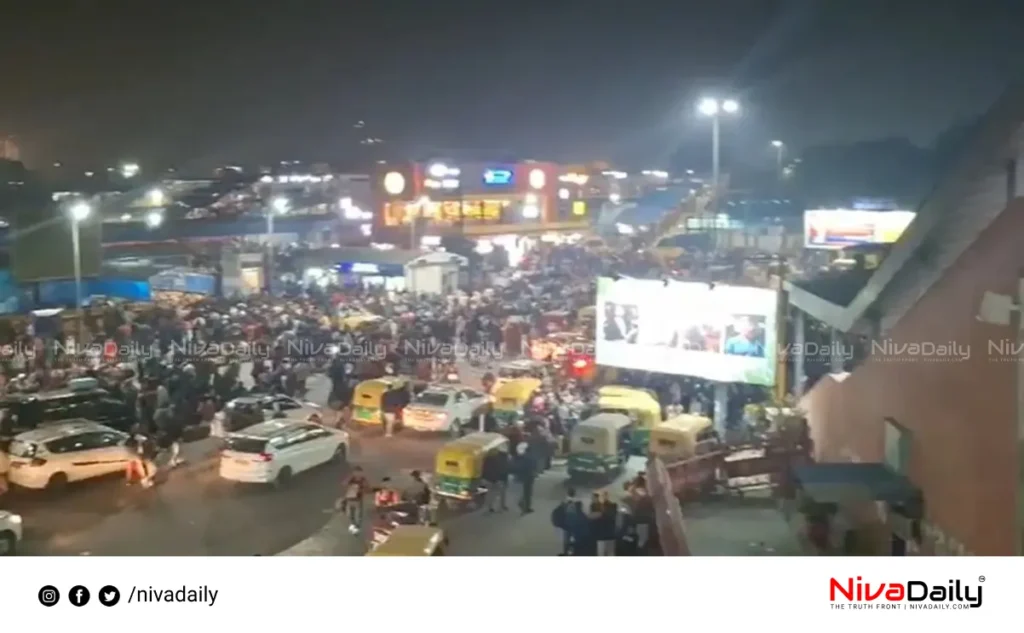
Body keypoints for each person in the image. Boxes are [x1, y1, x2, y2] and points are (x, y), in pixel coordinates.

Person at [551, 488, 584, 555]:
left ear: (568, 494)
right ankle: (572, 553)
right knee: (573, 540)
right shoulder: (578, 503)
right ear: (574, 494)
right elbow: (580, 513)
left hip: (567, 525)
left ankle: (567, 553)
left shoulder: (564, 502)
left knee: (567, 540)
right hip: (575, 525)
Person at [482, 448, 510, 513]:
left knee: (490, 493)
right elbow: (504, 469)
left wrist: (483, 478)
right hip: (499, 479)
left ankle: (490, 507)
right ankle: (502, 506)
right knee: (502, 493)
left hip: (488, 479)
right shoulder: (502, 459)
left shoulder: (486, 459)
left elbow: (484, 470)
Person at [342, 466, 369, 534]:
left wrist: (360, 490)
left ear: (361, 473)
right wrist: (349, 478)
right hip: (349, 499)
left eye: (359, 473)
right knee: (350, 514)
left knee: (358, 515)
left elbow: (367, 489)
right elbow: (344, 484)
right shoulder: (351, 479)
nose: (357, 474)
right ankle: (353, 524)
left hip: (358, 500)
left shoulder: (363, 480)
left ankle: (357, 527)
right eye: (355, 472)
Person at [595, 490, 619, 556]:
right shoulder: (613, 508)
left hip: (602, 536)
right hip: (611, 535)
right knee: (610, 553)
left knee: (601, 554)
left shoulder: (600, 509)